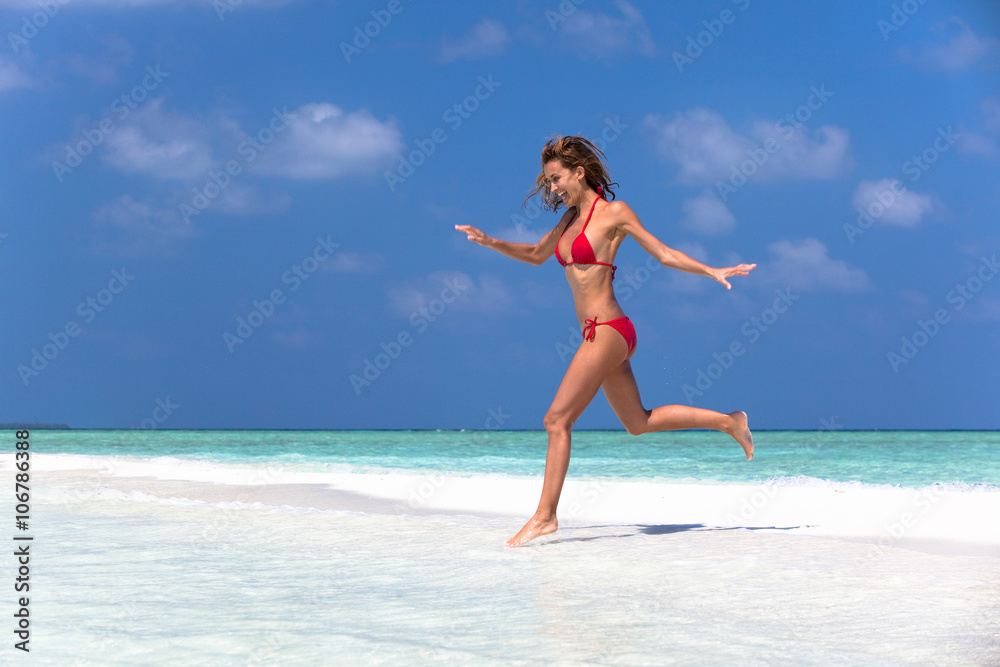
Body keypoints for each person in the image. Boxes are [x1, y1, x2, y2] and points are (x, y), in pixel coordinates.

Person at [455, 136, 757, 547]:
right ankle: (729, 421)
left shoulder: (613, 213)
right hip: (600, 333)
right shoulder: (568, 221)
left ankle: (545, 517)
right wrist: (492, 242)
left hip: (609, 329)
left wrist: (712, 269)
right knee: (638, 423)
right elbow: (535, 255)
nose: (553, 188)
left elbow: (663, 253)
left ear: (579, 172)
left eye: (557, 178)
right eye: (548, 182)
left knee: (556, 420)